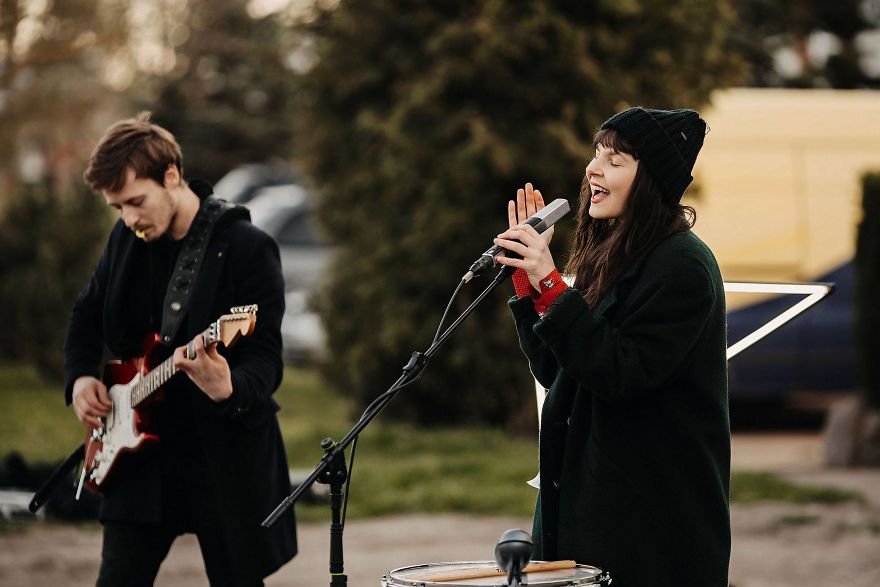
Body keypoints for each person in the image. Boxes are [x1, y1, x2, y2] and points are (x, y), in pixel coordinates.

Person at [494, 107, 730, 586]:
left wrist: (552, 284)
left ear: (651, 179)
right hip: (591, 507)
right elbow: (564, 372)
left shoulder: (682, 266)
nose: (593, 170)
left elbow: (621, 373)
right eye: (597, 155)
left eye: (615, 160)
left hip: (649, 529)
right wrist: (529, 288)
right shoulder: (618, 254)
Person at [64, 112, 297, 586]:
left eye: (135, 201)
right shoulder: (126, 240)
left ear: (171, 176)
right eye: (117, 208)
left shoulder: (247, 248)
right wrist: (81, 378)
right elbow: (87, 313)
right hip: (137, 456)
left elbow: (266, 359)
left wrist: (229, 386)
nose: (129, 218)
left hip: (222, 461)